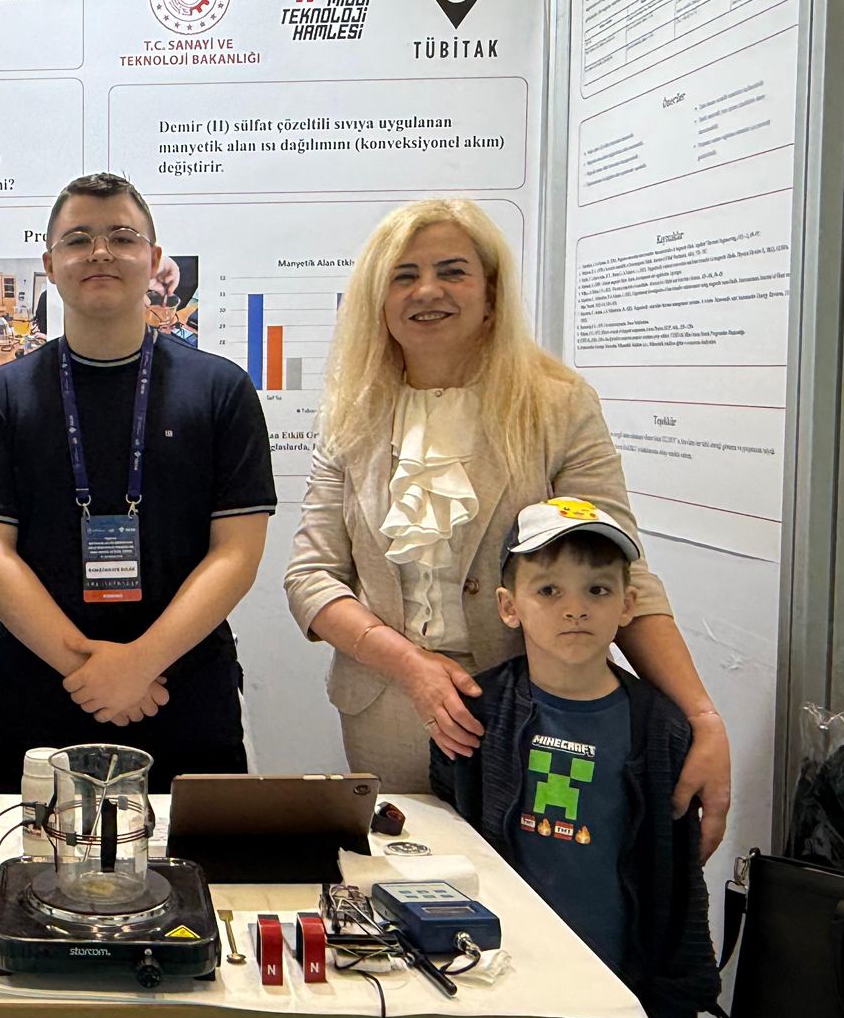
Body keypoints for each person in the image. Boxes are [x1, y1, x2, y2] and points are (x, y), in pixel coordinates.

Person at [0, 172, 275, 1018]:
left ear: (156, 262)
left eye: (122, 236)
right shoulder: (6, 394)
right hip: (43, 691)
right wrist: (84, 664)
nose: (101, 252)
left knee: (195, 883)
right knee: (41, 881)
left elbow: (237, 550)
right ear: (48, 264)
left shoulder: (218, 388)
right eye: (80, 238)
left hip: (184, 690)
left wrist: (141, 661)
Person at [283, 198, 732, 855]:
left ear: (491, 293)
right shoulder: (350, 413)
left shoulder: (558, 406)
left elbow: (622, 573)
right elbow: (311, 577)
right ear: (378, 299)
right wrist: (411, 666)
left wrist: (700, 715)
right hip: (387, 711)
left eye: (452, 271)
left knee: (538, 891)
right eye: (404, 275)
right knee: (406, 886)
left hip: (541, 707)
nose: (427, 290)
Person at [369, 499, 718, 1018]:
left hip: (605, 983)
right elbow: (449, 847)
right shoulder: (479, 714)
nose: (575, 609)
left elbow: (676, 875)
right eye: (549, 589)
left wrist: (680, 999)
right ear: (510, 606)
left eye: (598, 589)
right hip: (494, 973)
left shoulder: (660, 728)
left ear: (629, 605)